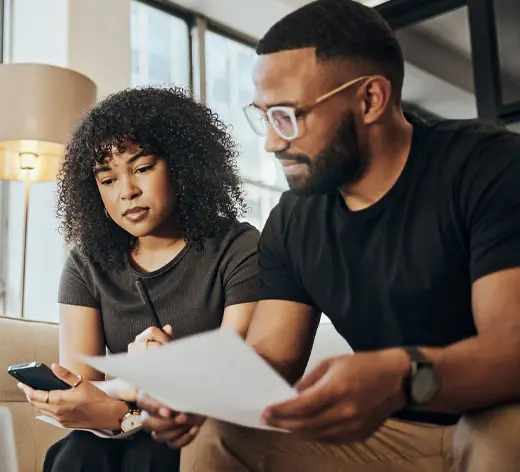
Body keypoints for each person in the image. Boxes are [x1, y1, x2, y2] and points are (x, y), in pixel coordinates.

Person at [138, 1, 520, 471]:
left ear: (370, 100)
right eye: (264, 116)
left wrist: (402, 375)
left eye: (287, 115)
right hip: (385, 436)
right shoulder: (293, 220)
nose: (273, 142)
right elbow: (271, 356)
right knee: (221, 430)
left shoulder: (488, 167)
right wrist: (199, 393)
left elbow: (512, 346)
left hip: (493, 415)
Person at [16, 86, 262, 472]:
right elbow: (84, 392)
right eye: (107, 179)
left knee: (153, 456)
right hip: (123, 427)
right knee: (76, 454)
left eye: (143, 168)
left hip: (210, 423)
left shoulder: (239, 247)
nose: (127, 192)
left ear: (183, 165)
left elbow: (234, 375)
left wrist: (138, 390)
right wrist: (124, 403)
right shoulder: (87, 264)